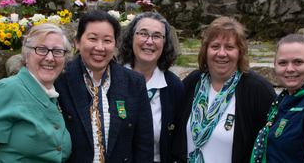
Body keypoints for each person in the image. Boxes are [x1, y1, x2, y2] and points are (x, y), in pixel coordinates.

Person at [172, 17, 277, 163]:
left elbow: (272, 144)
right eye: (215, 46)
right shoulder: (193, 82)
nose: (221, 53)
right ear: (206, 50)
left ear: (240, 52)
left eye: (229, 47)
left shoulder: (257, 89)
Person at [54, 10, 153, 162]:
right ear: (78, 42)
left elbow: (144, 144)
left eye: (107, 40)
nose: (100, 47)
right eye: (93, 38)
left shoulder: (134, 82)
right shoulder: (60, 80)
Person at [0, 23, 73, 163]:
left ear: (65, 59)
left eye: (58, 51)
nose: (50, 57)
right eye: (41, 49)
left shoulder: (53, 96)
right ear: (26, 55)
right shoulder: (5, 91)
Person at [118, 12, 185, 163]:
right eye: (143, 34)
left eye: (156, 36)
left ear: (165, 43)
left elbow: (178, 141)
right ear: (131, 38)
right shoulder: (113, 78)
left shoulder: (174, 86)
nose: (149, 41)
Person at [251, 34, 304, 163]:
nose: (290, 69)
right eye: (283, 63)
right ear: (275, 65)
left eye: (298, 62)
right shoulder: (281, 101)